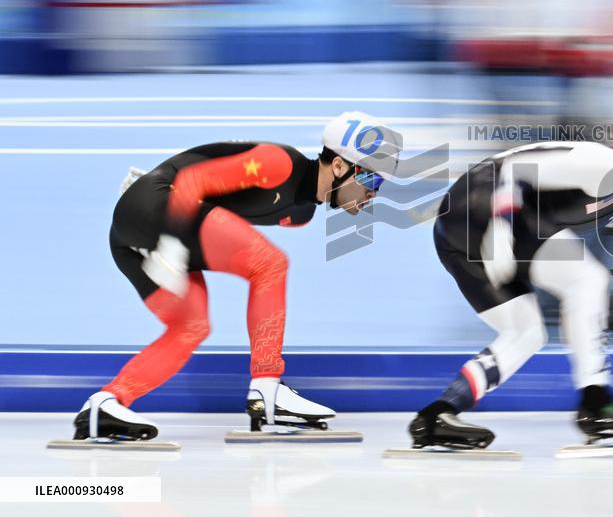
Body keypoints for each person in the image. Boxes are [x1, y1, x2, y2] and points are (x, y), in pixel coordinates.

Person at [72, 112, 402, 442]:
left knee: (190, 327)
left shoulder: (300, 213)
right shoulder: (278, 164)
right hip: (157, 207)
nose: (375, 194)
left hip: (143, 230)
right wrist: (168, 240)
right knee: (270, 264)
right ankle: (267, 389)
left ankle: (106, 404)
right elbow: (191, 182)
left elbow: (222, 217)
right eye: (373, 181)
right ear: (341, 166)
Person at [409, 110, 613, 449]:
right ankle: (596, 402)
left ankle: (437, 414)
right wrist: (501, 227)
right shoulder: (608, 166)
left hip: (471, 230)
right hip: (480, 209)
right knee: (587, 280)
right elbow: (515, 170)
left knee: (527, 332)